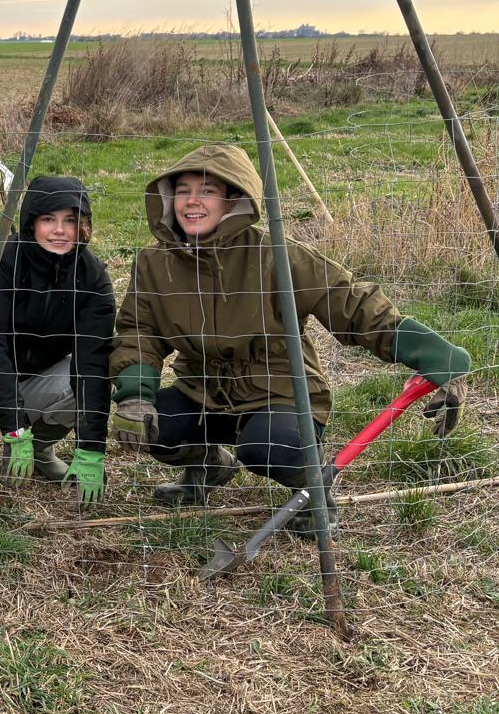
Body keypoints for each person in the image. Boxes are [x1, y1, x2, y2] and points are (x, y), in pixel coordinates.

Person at [108, 143, 469, 526]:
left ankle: (316, 495)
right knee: (155, 427)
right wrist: (135, 396)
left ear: (234, 201)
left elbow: (352, 303)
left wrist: (434, 355)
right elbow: (139, 332)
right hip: (201, 388)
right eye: (183, 191)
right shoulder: (153, 262)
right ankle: (209, 468)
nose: (192, 203)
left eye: (207, 192)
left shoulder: (279, 254)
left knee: (269, 449)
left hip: (279, 391)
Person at [0, 176, 114, 500]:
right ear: (31, 223)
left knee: (99, 379)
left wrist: (91, 449)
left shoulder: (92, 275)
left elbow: (93, 358)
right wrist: (14, 426)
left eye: (70, 220)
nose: (59, 230)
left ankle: (41, 449)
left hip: (37, 374)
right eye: (48, 219)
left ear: (83, 225)